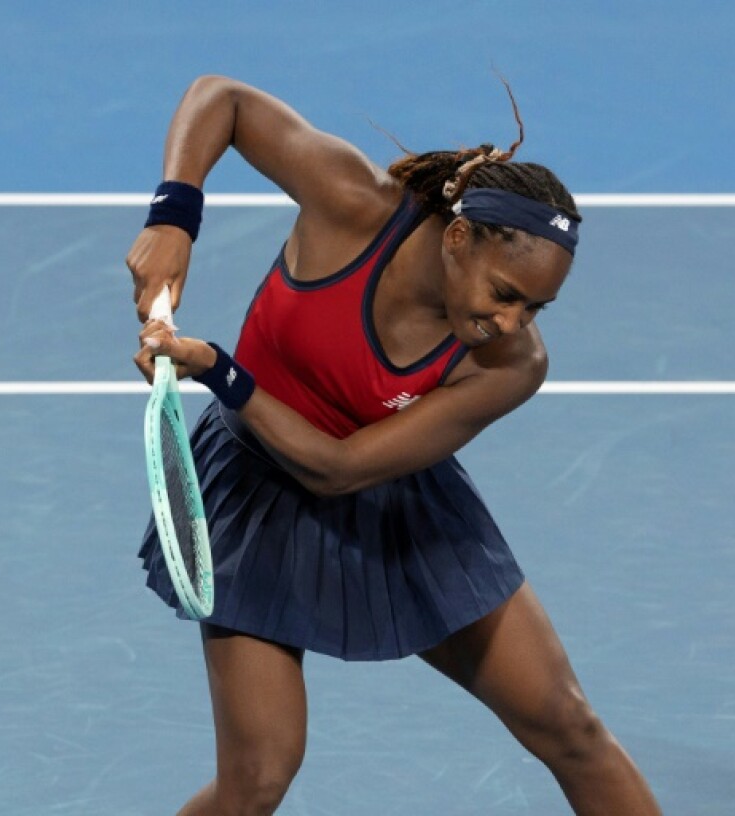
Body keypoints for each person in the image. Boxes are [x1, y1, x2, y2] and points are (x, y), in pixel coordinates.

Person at [129, 75, 660, 816]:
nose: (514, 322)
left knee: (568, 724)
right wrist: (174, 215)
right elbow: (225, 100)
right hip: (254, 493)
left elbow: (339, 470)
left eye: (536, 306)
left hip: (390, 497)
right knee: (259, 775)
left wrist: (217, 368)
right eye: (506, 293)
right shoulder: (353, 206)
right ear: (456, 239)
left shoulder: (511, 365)